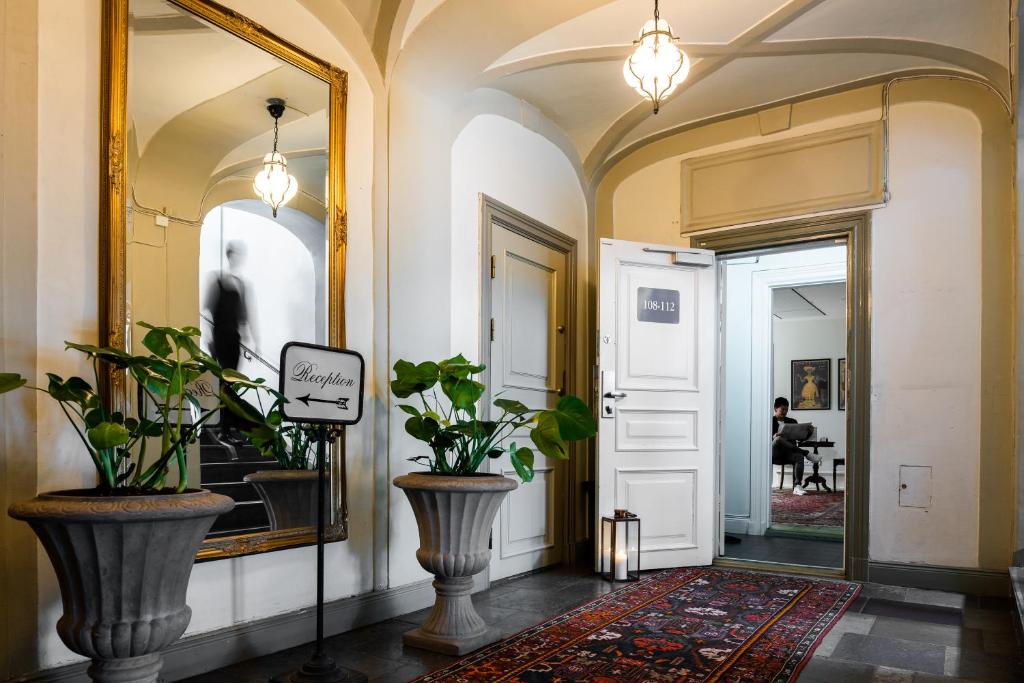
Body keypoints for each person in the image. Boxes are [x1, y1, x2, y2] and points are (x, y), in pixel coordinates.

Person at [203, 240, 259, 445]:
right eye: (236, 253)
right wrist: (208, 338)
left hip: (234, 339)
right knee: (223, 382)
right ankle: (223, 428)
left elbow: (244, 317)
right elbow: (207, 310)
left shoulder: (242, 284)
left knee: (232, 383)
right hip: (219, 338)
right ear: (229, 255)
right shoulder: (216, 280)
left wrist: (253, 341)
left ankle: (228, 427)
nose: (239, 257)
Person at [772, 396, 821, 496]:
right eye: (782, 409)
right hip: (774, 453)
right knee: (778, 439)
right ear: (775, 408)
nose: (785, 411)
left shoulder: (792, 421)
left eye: (786, 409)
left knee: (799, 456)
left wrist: (809, 433)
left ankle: (797, 486)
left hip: (789, 453)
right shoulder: (768, 421)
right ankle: (806, 453)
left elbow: (800, 439)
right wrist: (772, 436)